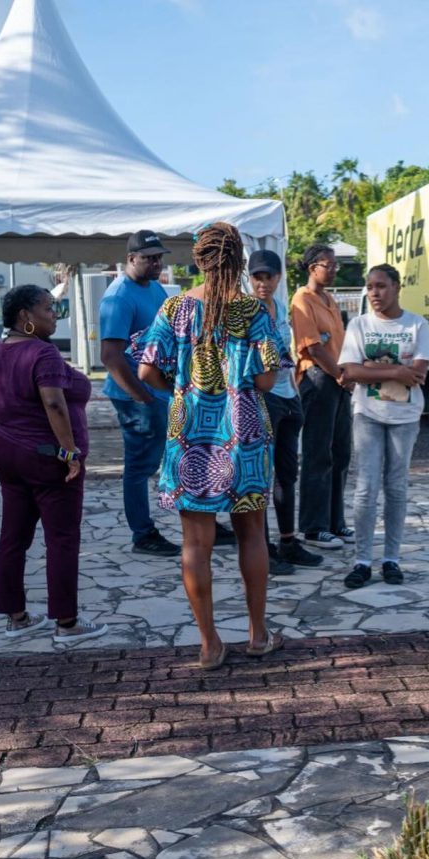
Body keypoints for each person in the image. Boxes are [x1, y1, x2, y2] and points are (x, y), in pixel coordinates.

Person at [132, 222, 286, 670]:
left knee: (195, 544)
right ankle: (258, 635)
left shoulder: (174, 308)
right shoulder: (255, 311)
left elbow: (146, 372)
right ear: (239, 261)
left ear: (197, 261)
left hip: (190, 437)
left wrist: (182, 388)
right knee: (252, 534)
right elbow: (265, 379)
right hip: (245, 438)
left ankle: (209, 644)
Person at [0, 285, 107, 645]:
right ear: (25, 316)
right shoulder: (43, 353)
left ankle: (17, 617)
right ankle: (67, 623)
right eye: (48, 308)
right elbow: (54, 404)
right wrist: (69, 452)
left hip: (9, 455)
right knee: (62, 539)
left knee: (13, 537)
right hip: (47, 459)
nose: (55, 314)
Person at [101, 231, 236, 555]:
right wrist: (141, 396)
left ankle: (203, 521)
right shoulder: (119, 296)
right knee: (140, 466)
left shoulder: (156, 287)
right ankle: (143, 533)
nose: (157, 263)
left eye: (159, 257)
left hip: (162, 392)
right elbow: (110, 355)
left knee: (179, 458)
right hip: (137, 395)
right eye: (149, 258)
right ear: (130, 258)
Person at [337, 264, 429, 588]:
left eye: (380, 286)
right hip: (367, 414)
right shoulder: (359, 325)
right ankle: (362, 560)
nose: (374, 293)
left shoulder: (417, 325)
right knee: (365, 488)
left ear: (396, 287)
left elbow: (418, 374)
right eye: (369, 287)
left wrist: (371, 368)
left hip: (405, 419)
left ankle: (391, 558)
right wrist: (395, 372)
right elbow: (350, 371)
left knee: (395, 488)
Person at [247, 249, 324, 575]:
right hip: (261, 397)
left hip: (288, 393)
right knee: (261, 477)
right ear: (249, 279)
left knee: (287, 473)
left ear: (279, 278)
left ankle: (288, 541)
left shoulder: (281, 308)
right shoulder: (245, 311)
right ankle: (262, 549)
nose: (263, 283)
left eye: (269, 277)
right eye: (257, 277)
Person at [290, 244, 353, 549]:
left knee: (341, 453)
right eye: (328, 264)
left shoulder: (330, 300)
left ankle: (335, 521)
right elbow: (313, 347)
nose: (333, 269)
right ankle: (313, 527)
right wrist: (339, 374)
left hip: (338, 380)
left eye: (335, 265)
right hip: (318, 379)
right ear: (312, 267)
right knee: (318, 454)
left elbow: (339, 343)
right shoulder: (302, 299)